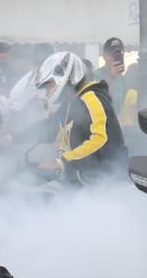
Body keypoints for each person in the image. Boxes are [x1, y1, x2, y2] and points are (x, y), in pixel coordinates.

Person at [35, 50, 126, 184]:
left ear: (66, 78)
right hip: (80, 179)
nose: (47, 92)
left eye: (49, 85)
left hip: (105, 182)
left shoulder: (92, 98)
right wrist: (13, 137)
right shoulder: (68, 104)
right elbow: (49, 128)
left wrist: (63, 162)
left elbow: (100, 140)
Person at [94, 37, 137, 126]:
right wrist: (111, 77)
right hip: (99, 124)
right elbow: (97, 100)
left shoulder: (122, 79)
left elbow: (123, 106)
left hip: (116, 123)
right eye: (113, 54)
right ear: (105, 57)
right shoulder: (95, 75)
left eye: (120, 53)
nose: (117, 57)